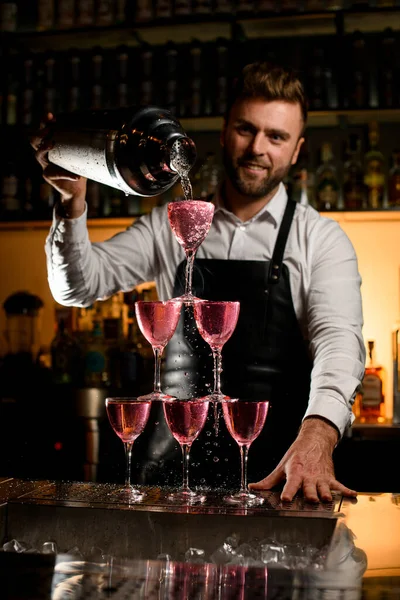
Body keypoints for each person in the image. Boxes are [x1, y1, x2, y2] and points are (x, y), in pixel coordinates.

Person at [31, 61, 365, 503]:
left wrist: (320, 433)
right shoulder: (172, 222)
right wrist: (71, 203)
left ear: (297, 150)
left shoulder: (319, 239)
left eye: (276, 136)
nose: (257, 148)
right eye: (246, 129)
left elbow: (338, 343)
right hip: (170, 480)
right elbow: (77, 286)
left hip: (273, 479)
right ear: (225, 132)